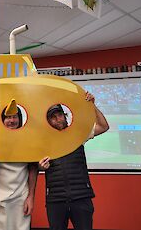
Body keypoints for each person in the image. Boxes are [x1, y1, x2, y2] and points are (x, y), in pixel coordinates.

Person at [39, 92, 109, 230]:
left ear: (65, 116)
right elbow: (37, 166)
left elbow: (103, 126)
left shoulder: (78, 134)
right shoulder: (43, 142)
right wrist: (41, 167)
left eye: (59, 115)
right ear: (48, 122)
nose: (57, 119)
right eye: (53, 117)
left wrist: (93, 106)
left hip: (81, 197)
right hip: (55, 200)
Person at [0, 102, 38, 230]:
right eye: (8, 117)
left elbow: (33, 169)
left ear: (20, 119)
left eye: (14, 117)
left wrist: (31, 197)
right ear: (2, 120)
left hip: (21, 198)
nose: (11, 121)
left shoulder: (28, 141)